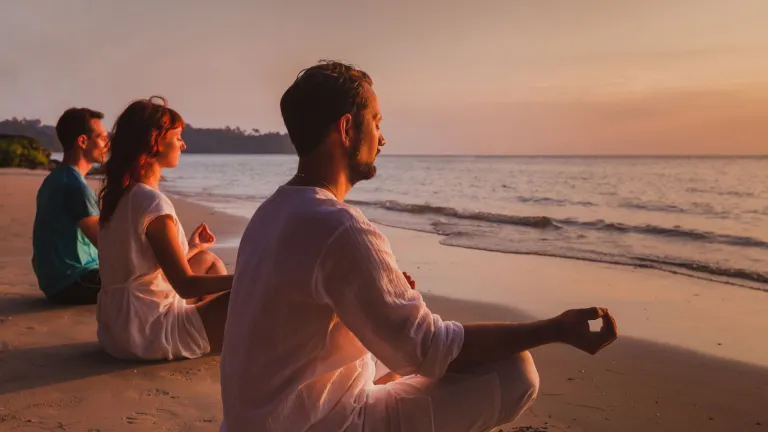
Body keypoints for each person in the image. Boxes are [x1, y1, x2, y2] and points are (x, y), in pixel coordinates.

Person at [220, 61, 619, 432]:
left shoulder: (271, 213)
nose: (383, 137)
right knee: (515, 371)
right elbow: (430, 348)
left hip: (260, 420)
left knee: (397, 353)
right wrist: (554, 329)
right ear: (346, 129)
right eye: (375, 122)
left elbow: (298, 326)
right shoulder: (339, 226)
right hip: (318, 423)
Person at [96, 96, 232, 361]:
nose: (183, 144)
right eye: (178, 136)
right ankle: (227, 335)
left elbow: (138, 266)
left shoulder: (121, 196)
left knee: (206, 258)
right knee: (255, 290)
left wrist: (191, 248)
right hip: (149, 333)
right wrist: (250, 277)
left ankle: (221, 331)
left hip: (118, 329)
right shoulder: (152, 202)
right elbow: (185, 285)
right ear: (155, 141)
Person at [32, 107, 108, 305]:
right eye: (101, 138)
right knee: (149, 281)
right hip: (72, 281)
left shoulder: (57, 178)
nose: (107, 144)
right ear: (83, 141)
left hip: (56, 280)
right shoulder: (74, 186)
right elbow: (107, 245)